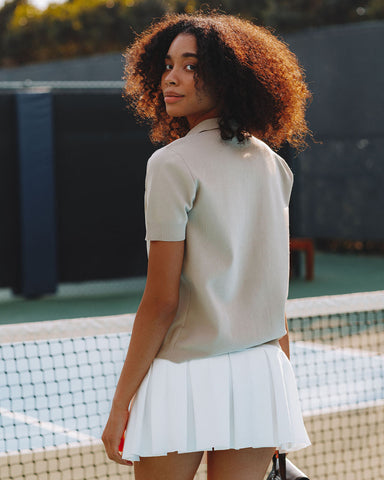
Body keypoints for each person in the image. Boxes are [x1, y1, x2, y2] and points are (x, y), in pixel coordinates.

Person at [102, 12, 311, 480]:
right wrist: (282, 390)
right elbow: (273, 298)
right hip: (262, 375)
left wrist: (120, 406)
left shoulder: (170, 164)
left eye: (191, 66)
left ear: (229, 75)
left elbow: (161, 301)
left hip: (184, 375)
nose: (171, 77)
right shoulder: (273, 164)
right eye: (169, 64)